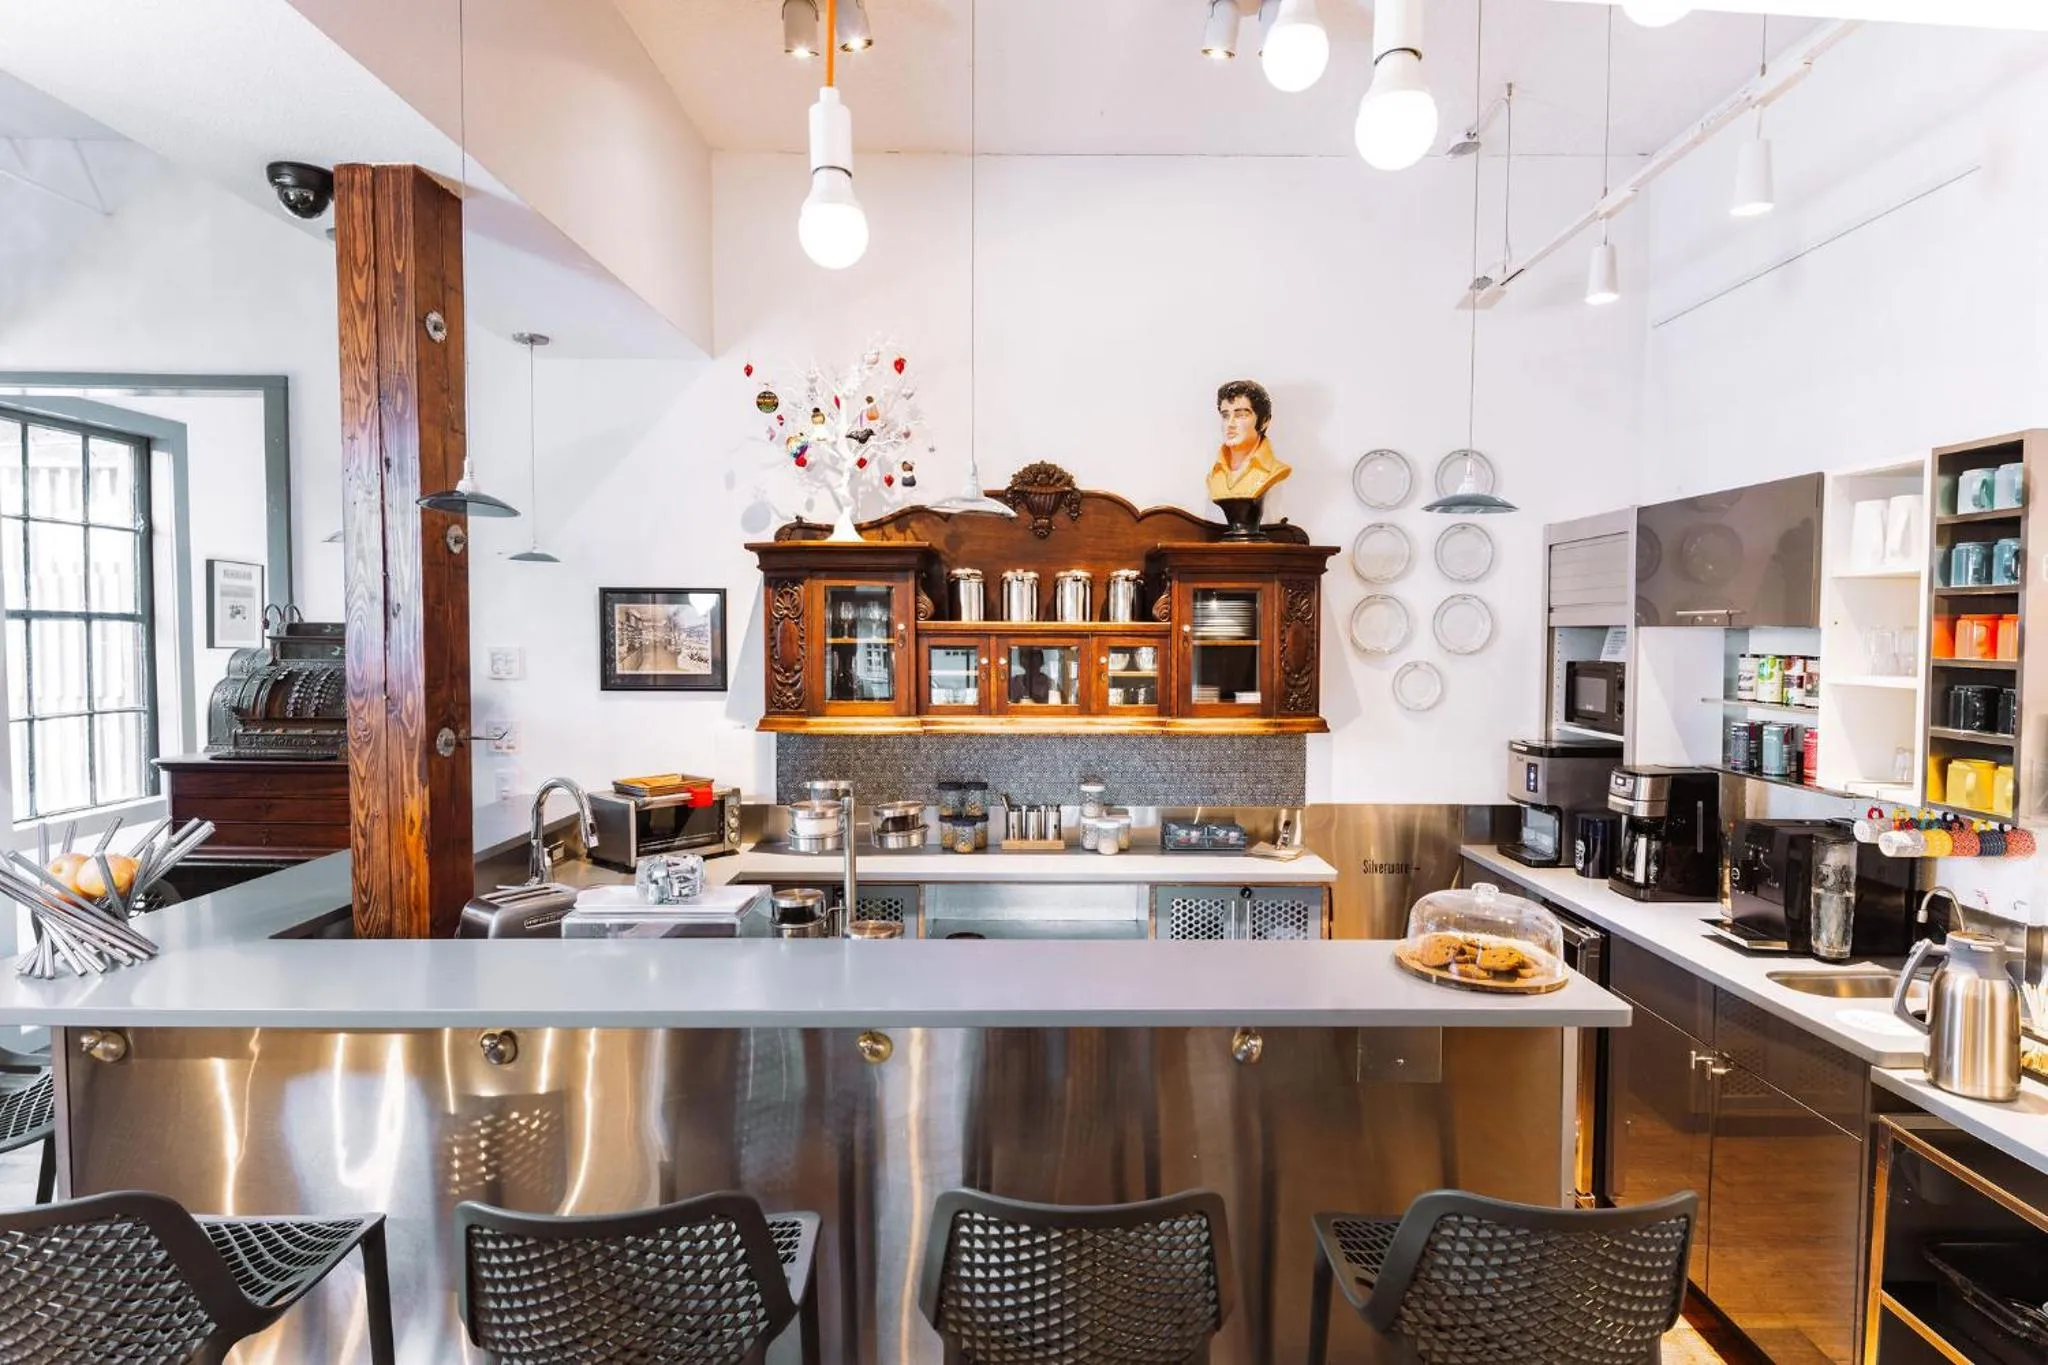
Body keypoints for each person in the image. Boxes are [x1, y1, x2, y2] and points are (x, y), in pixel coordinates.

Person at [1206, 379, 1291, 504]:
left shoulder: (1276, 472)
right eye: (1225, 416)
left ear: (1264, 422)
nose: (1230, 424)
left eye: (1240, 415)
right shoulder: (1213, 476)